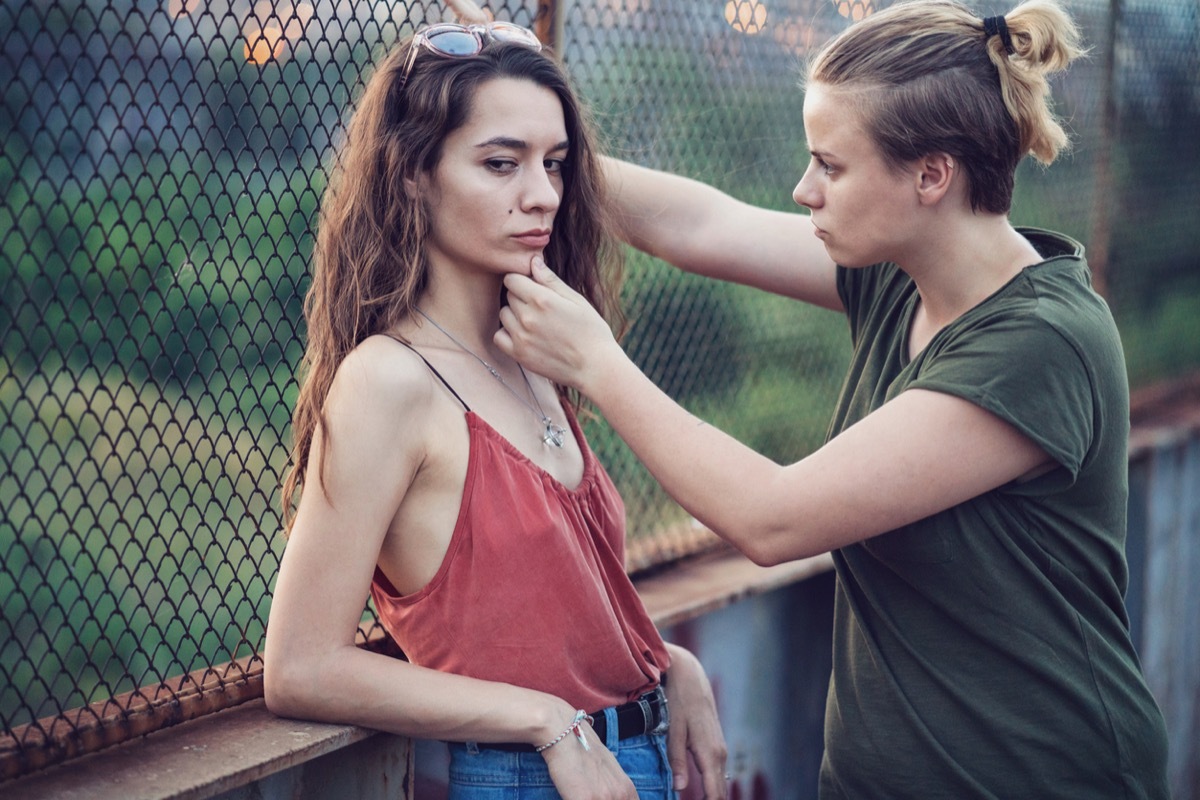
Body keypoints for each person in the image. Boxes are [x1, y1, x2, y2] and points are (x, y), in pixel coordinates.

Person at [495, 0, 1171, 796]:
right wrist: (543, 144)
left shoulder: (1038, 343)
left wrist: (596, 363)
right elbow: (701, 225)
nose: (804, 188)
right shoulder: (906, 274)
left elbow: (773, 518)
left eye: (832, 165)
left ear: (930, 175)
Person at [262, 20, 727, 800]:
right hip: (526, 773)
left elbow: (544, 610)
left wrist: (669, 664)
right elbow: (301, 667)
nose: (542, 194)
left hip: (624, 755)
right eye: (501, 164)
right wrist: (546, 720)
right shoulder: (390, 381)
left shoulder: (533, 348)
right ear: (412, 174)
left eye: (555, 164)